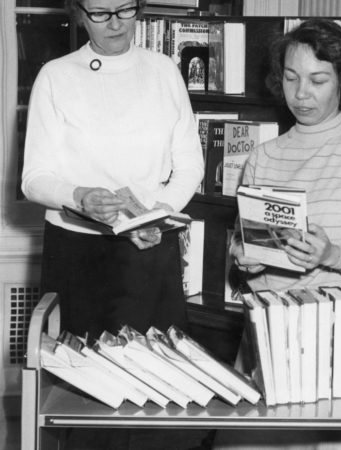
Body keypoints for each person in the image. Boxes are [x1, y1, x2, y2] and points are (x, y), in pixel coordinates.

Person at [217, 18, 341, 449]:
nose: (301, 94)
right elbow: (240, 245)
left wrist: (332, 253)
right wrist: (245, 255)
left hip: (331, 335)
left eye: (318, 80)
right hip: (265, 328)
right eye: (291, 78)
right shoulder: (264, 156)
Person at [21, 0, 204, 342]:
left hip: (149, 245)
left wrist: (160, 212)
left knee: (156, 374)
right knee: (77, 375)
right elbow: (33, 179)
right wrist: (79, 197)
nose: (116, 24)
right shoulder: (56, 75)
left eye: (125, 10)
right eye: (101, 14)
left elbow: (191, 163)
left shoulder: (163, 70)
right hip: (77, 251)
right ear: (79, 14)